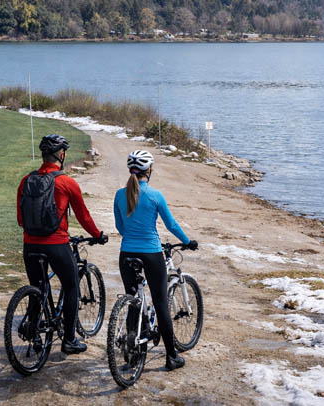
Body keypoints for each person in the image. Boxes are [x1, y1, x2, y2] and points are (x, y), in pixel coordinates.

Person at [17, 134, 107, 355]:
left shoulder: (26, 181)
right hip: (56, 244)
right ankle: (69, 340)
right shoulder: (66, 182)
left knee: (38, 288)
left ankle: (34, 331)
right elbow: (83, 216)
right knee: (71, 286)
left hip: (30, 245)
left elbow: (21, 220)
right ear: (62, 155)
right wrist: (98, 235)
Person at [113, 149, 198, 371]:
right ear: (148, 170)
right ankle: (171, 357)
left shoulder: (119, 195)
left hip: (126, 254)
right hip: (151, 254)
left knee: (133, 299)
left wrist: (132, 237)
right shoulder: (155, 195)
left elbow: (120, 227)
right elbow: (171, 225)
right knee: (160, 304)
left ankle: (132, 355)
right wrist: (188, 241)